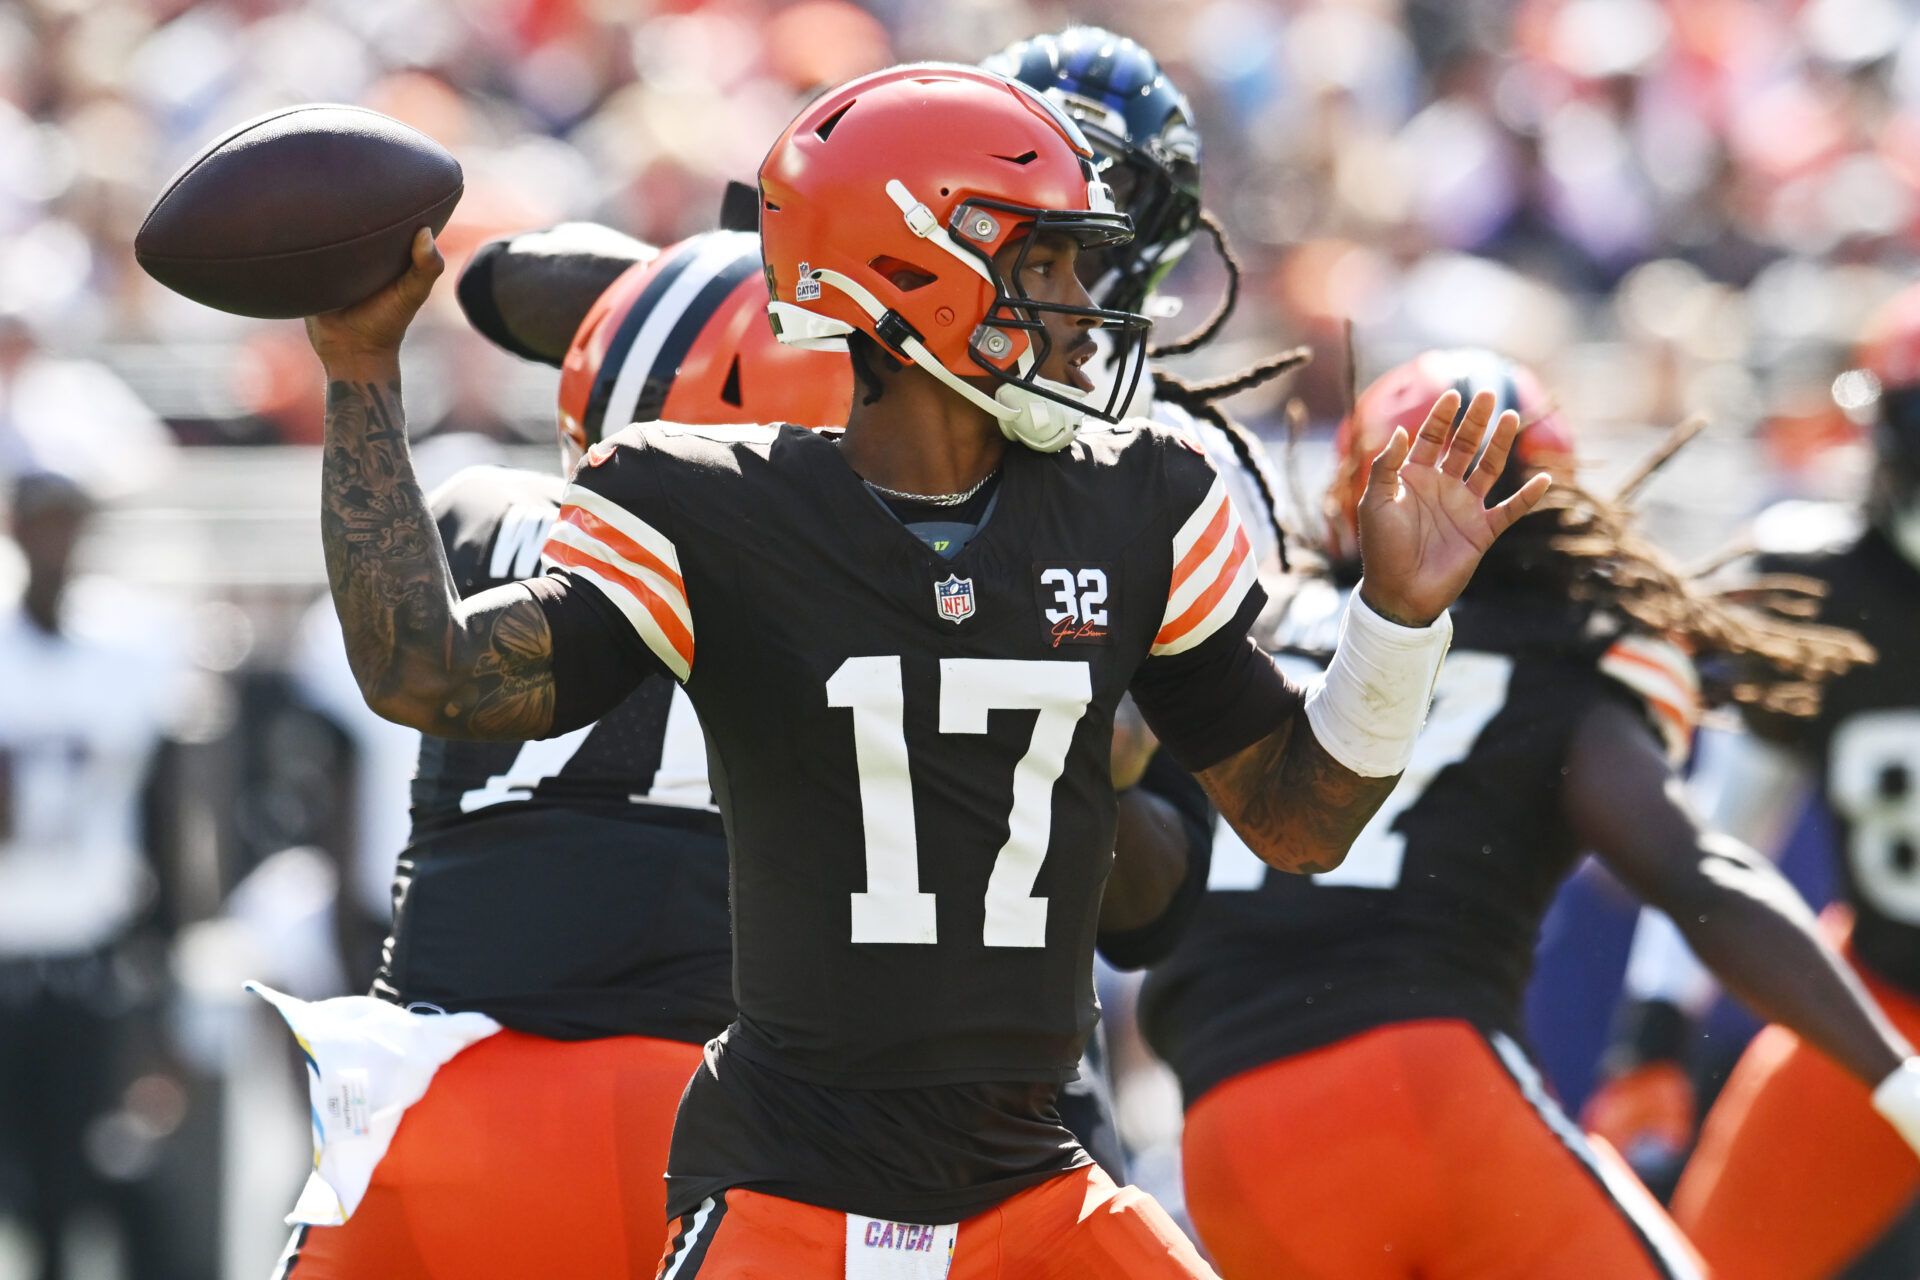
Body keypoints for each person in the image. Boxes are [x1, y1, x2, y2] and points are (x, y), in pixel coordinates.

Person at [302, 65, 1545, 1277]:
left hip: (1034, 1187)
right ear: (907, 270)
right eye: (1043, 262)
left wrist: (1397, 615)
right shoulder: (706, 503)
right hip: (788, 1192)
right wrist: (361, 373)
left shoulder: (1140, 498)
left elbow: (1298, 816)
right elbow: (433, 674)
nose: (1080, 299)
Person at [1139, 348, 1920, 1280]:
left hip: (1225, 1134)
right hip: (1426, 1080)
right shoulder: (1560, 659)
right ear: (1554, 501)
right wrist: (1899, 1079)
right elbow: (1694, 874)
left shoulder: (1254, 638)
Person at [1598, 282, 1920, 1279]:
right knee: (1716, 1261)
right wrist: (1656, 1019)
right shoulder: (1824, 581)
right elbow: (1724, 836)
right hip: (1882, 994)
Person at [0, 471, 189, 1280]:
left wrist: (168, 952)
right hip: (7, 948)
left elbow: (167, 812)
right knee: (26, 1187)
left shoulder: (129, 647)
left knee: (94, 1176)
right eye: (41, 525)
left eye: (67, 524)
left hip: (88, 959)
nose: (55, 542)